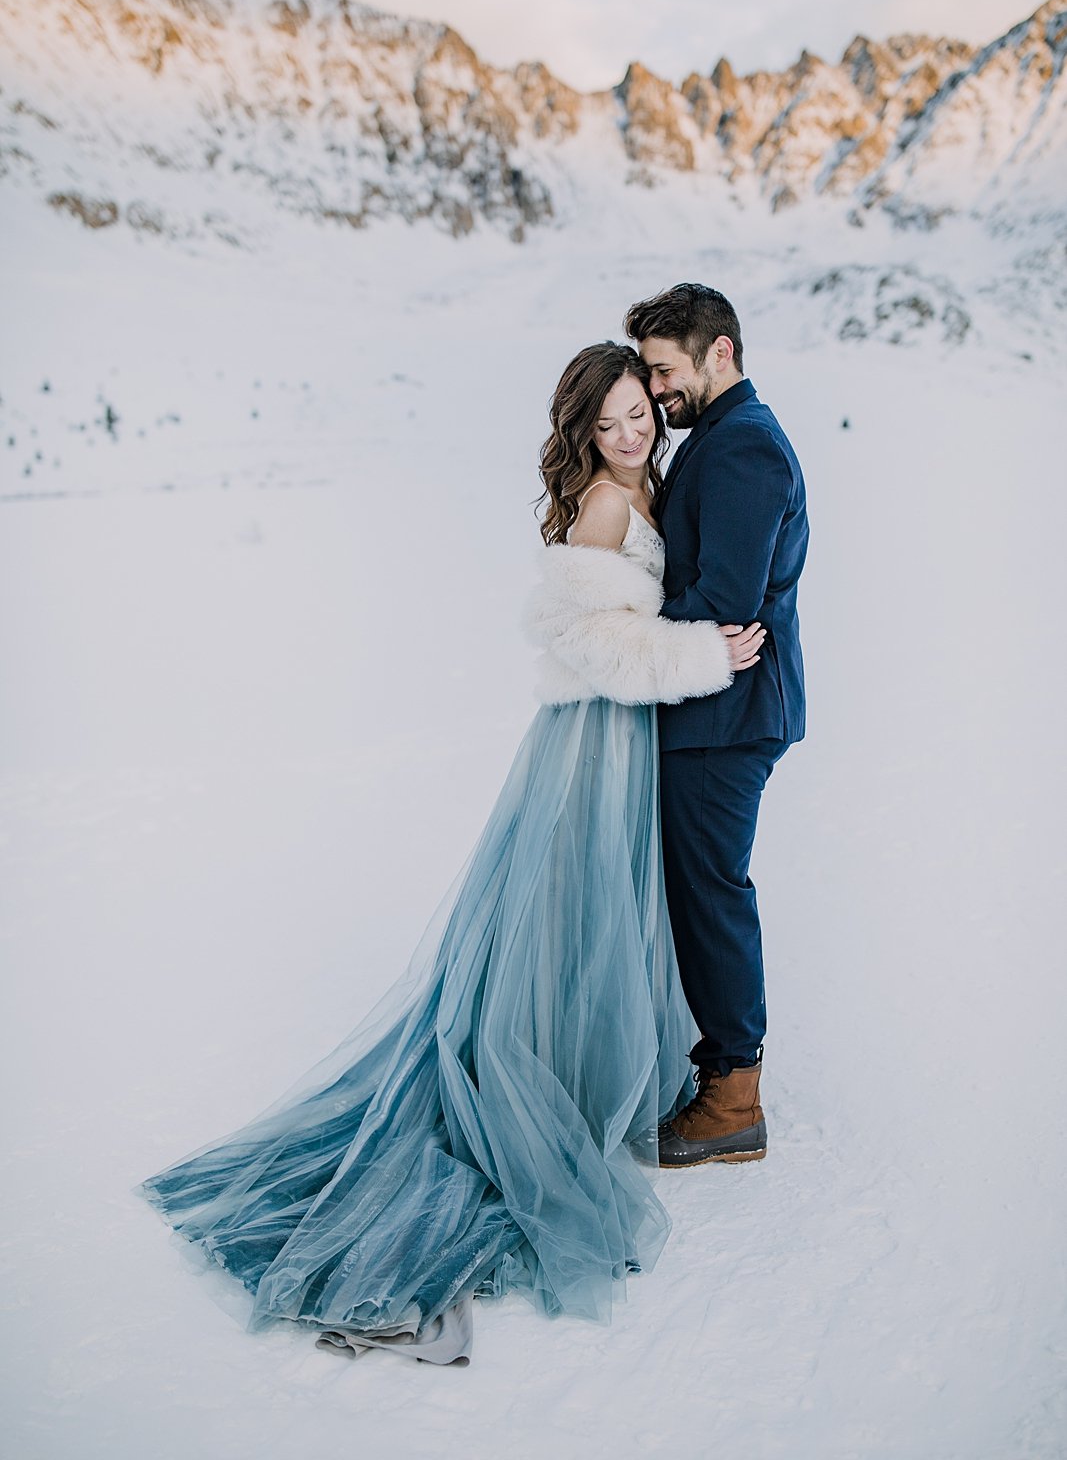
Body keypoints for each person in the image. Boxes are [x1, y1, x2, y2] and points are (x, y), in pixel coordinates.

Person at [134, 341, 764, 1366]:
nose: (625, 433)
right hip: (590, 740)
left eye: (634, 413)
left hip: (619, 739)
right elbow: (594, 645)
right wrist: (705, 655)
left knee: (598, 916)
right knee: (573, 912)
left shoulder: (645, 480)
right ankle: (538, 1095)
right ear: (580, 431)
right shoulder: (606, 507)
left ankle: (581, 1070)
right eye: (603, 423)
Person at [623, 285, 809, 1170]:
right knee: (702, 889)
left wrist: (628, 642)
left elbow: (725, 600)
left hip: (725, 714)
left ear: (719, 353)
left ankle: (733, 1097)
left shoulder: (742, 448)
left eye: (665, 370)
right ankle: (720, 1074)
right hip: (713, 706)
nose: (659, 391)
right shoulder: (723, 440)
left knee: (710, 892)